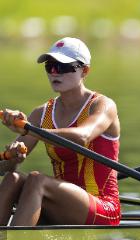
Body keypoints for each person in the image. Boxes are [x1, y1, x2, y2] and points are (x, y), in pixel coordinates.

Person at [0, 37, 121, 226]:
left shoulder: (102, 105)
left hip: (103, 208)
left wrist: (29, 130)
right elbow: (3, 169)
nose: (55, 73)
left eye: (63, 67)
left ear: (85, 70)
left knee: (36, 180)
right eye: (50, 66)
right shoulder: (42, 113)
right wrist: (12, 156)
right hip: (61, 205)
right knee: (12, 178)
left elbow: (83, 136)